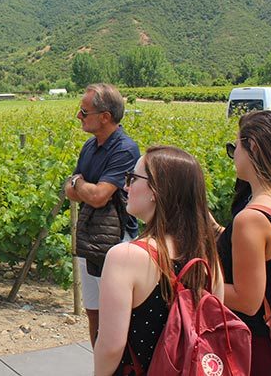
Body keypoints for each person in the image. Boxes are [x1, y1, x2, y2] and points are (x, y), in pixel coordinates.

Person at [94, 146, 223, 375]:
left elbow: (111, 346)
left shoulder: (126, 256)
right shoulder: (206, 255)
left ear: (156, 190)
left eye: (132, 178)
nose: (125, 186)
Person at [212, 110, 271, 375]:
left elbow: (247, 300)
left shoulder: (251, 219)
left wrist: (197, 283)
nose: (233, 156)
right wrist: (218, 231)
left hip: (253, 347)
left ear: (251, 146)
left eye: (235, 147)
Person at [65, 83, 140, 347]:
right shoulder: (90, 146)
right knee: (94, 310)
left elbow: (98, 196)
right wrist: (82, 187)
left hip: (115, 240)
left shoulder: (125, 149)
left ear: (105, 116)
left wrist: (79, 185)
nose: (79, 116)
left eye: (84, 112)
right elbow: (70, 190)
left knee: (116, 313)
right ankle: (100, 363)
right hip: (90, 238)